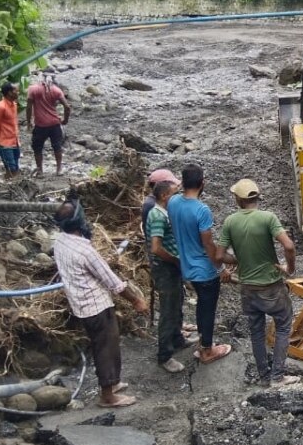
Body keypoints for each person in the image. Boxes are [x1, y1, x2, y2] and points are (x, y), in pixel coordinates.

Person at [53, 199, 148, 408]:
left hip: (80, 304)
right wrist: (137, 300)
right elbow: (113, 282)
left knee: (104, 345)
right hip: (96, 307)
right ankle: (107, 396)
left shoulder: (60, 241)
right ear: (78, 222)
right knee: (106, 348)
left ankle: (112, 384)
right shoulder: (85, 252)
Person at [215, 179, 299, 386]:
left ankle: (264, 377)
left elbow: (218, 255)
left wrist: (239, 259)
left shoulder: (230, 221)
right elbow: (288, 246)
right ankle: (278, 376)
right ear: (257, 197)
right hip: (271, 286)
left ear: (238, 199)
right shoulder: (267, 218)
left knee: (256, 332)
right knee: (282, 327)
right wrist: (290, 269)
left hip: (248, 288)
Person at [167, 163, 231, 364]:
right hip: (204, 270)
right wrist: (220, 267)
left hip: (187, 266)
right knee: (207, 309)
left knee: (202, 306)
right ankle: (206, 350)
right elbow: (208, 244)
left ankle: (204, 344)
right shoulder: (202, 210)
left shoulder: (173, 202)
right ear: (203, 183)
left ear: (183, 182)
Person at [146, 175, 197, 373]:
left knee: (176, 303)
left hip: (172, 266)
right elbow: (156, 248)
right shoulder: (157, 215)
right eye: (175, 194)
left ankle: (177, 339)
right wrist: (176, 260)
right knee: (168, 310)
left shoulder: (165, 212)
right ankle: (164, 355)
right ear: (166, 196)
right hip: (165, 267)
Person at [26, 74, 70, 177]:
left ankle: (40, 171)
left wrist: (29, 122)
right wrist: (65, 120)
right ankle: (59, 169)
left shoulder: (33, 89)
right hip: (54, 123)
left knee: (37, 147)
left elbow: (28, 107)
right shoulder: (56, 90)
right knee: (57, 146)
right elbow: (67, 107)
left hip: (40, 125)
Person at [0, 82, 21, 178]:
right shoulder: (0, 107)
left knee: (15, 166)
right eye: (16, 91)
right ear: (9, 93)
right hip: (4, 142)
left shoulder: (14, 105)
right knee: (11, 167)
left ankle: (13, 185)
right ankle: (11, 185)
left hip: (14, 141)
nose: (18, 92)